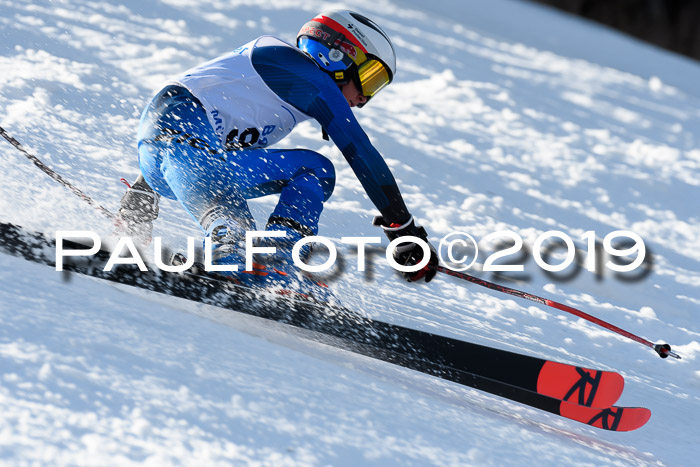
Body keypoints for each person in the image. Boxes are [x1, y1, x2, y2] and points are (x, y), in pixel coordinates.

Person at [116, 9, 438, 287]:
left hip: (171, 164)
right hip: (187, 159)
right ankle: (275, 261)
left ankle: (252, 261)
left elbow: (173, 129)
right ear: (337, 55)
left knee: (246, 253)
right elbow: (360, 151)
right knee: (316, 169)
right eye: (370, 78)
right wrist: (403, 229)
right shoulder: (305, 75)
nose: (365, 99)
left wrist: (142, 194)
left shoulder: (269, 87)